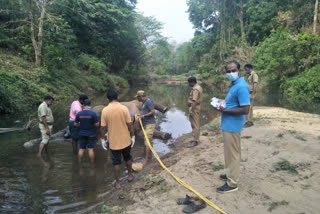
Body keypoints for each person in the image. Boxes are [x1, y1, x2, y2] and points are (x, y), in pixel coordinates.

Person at [214, 61, 250, 193]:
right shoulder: (234, 85)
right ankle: (230, 173)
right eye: (228, 71)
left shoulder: (241, 86)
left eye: (233, 70)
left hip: (233, 126)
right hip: (228, 125)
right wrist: (221, 104)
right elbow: (233, 103)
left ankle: (232, 183)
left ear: (239, 70)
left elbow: (245, 109)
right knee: (229, 153)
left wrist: (225, 111)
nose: (230, 73)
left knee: (233, 154)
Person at [100, 90, 134, 189]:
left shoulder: (105, 110)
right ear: (117, 97)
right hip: (126, 140)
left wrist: (103, 139)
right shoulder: (124, 108)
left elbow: (102, 127)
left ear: (107, 99)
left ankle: (118, 183)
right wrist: (133, 135)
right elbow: (130, 124)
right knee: (127, 157)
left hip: (113, 142)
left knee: (116, 162)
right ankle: (130, 176)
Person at [74, 99, 99, 166]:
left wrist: (80, 125)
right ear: (90, 105)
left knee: (81, 149)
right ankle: (92, 164)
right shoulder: (93, 114)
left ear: (83, 105)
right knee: (90, 149)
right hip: (91, 134)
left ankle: (79, 163)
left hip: (82, 133)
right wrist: (92, 124)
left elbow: (75, 124)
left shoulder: (79, 113)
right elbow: (97, 124)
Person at [135, 90, 156, 166]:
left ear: (140, 96)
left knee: (147, 141)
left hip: (150, 124)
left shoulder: (148, 101)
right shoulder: (144, 102)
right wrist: (140, 114)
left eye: (138, 97)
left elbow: (153, 111)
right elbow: (146, 111)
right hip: (146, 124)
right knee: (149, 141)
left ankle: (147, 160)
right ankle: (150, 157)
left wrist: (143, 116)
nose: (137, 99)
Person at [187, 77, 203, 148]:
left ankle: (195, 141)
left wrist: (191, 110)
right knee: (195, 124)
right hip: (196, 107)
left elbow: (194, 101)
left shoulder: (195, 89)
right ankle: (195, 138)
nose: (189, 84)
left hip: (194, 108)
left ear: (192, 82)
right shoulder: (199, 87)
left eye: (189, 83)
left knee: (195, 124)